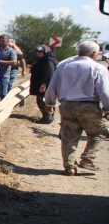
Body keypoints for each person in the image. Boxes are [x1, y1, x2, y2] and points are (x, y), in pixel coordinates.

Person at [44, 41, 109, 176]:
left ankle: (69, 167)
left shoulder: (63, 66)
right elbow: (104, 91)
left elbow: (52, 87)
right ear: (93, 54)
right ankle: (87, 159)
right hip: (89, 106)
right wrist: (107, 109)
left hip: (67, 105)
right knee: (99, 133)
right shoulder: (98, 68)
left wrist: (50, 103)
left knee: (69, 136)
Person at [30, 45, 58, 124]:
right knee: (43, 101)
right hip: (40, 83)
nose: (38, 53)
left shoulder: (48, 61)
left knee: (42, 101)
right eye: (37, 51)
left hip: (45, 86)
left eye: (40, 51)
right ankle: (49, 117)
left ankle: (47, 118)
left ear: (46, 52)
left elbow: (49, 74)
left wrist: (44, 85)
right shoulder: (42, 60)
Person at [0, 35, 17, 102]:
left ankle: (4, 108)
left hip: (4, 75)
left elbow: (14, 62)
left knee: (3, 94)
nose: (1, 42)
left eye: (3, 41)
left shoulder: (11, 51)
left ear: (8, 42)